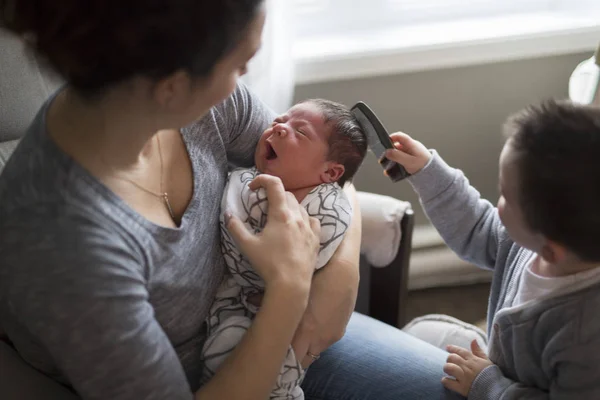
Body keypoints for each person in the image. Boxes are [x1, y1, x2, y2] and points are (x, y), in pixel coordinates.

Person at [0, 1, 461, 399]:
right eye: (241, 66)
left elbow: (326, 176)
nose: (243, 83)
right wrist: (290, 287)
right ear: (172, 85)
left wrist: (337, 279)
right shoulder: (66, 247)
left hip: (275, 324)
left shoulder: (203, 106)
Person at [384, 100, 600, 399]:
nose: (497, 207)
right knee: (415, 335)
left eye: (505, 197)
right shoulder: (537, 243)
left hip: (502, 387)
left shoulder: (584, 338)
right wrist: (427, 172)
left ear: (551, 251)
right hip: (501, 359)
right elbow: (478, 227)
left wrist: (490, 386)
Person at [202, 99, 367, 399]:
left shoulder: (322, 204)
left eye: (299, 132)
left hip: (293, 332)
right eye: (280, 120)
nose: (278, 127)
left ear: (330, 173)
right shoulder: (264, 177)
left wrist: (340, 278)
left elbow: (345, 195)